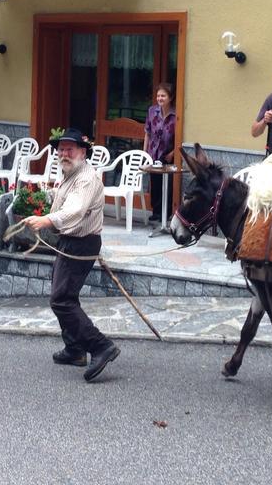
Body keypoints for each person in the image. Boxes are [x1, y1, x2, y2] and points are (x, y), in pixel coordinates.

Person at [23, 127, 120, 383]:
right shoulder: (70, 173)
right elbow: (66, 202)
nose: (64, 153)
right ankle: (75, 349)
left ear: (83, 152)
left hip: (82, 243)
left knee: (61, 299)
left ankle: (101, 346)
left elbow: (75, 210)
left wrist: (45, 220)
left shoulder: (86, 178)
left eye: (70, 149)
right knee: (63, 295)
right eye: (61, 149)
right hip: (70, 240)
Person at [144, 83, 176, 227]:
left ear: (170, 98)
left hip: (168, 154)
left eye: (163, 95)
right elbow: (147, 132)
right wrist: (145, 153)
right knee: (155, 184)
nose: (160, 98)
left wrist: (173, 153)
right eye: (158, 95)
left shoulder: (176, 114)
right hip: (153, 153)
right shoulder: (152, 111)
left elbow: (180, 136)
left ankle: (166, 213)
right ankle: (156, 212)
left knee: (167, 185)